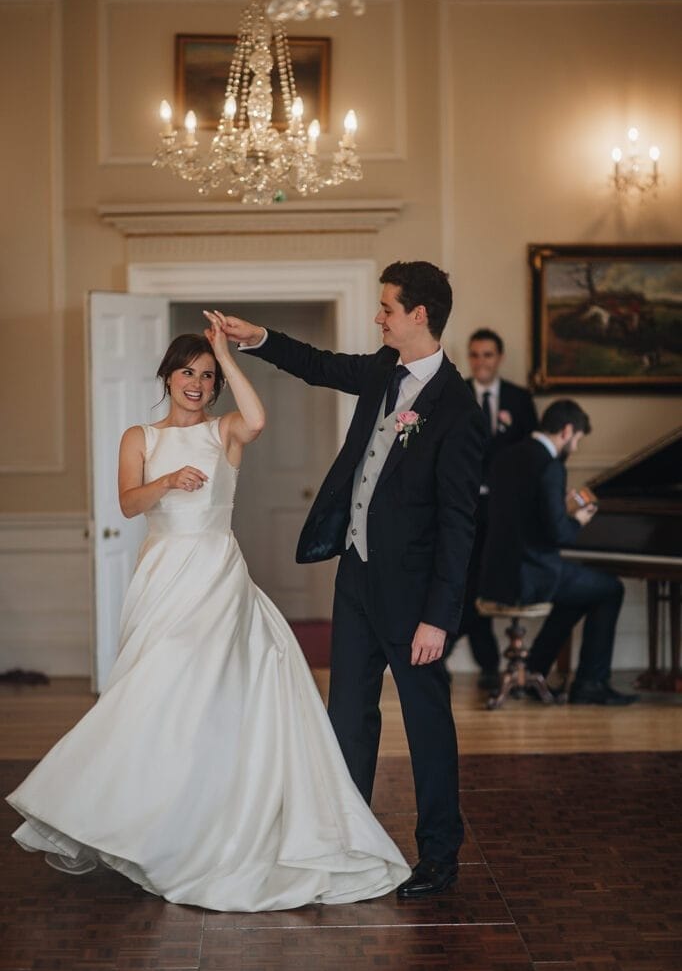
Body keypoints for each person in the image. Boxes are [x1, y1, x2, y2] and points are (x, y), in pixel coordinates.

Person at [7, 324, 411, 911]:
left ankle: (207, 823)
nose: (197, 384)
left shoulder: (226, 433)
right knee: (151, 695)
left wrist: (228, 353)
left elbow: (258, 418)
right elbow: (126, 502)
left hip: (217, 573)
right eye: (188, 371)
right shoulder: (138, 436)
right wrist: (167, 481)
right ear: (167, 376)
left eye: (207, 375)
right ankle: (141, 816)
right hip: (161, 573)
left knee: (205, 693)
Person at [213, 260, 486, 899]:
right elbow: (321, 365)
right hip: (356, 577)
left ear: (419, 315)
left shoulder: (458, 409)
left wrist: (439, 617)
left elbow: (459, 526)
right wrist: (257, 338)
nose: (377, 316)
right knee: (348, 718)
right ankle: (348, 841)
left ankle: (440, 856)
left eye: (387, 307)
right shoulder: (381, 370)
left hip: (416, 600)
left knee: (427, 727)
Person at [479, 399, 638, 706]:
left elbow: (522, 515)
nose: (575, 447)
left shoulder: (505, 457)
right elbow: (558, 534)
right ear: (567, 431)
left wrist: (556, 508)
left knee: (579, 592)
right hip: (530, 575)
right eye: (577, 439)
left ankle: (536, 667)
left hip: (495, 574)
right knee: (609, 589)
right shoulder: (550, 466)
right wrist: (577, 519)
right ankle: (591, 683)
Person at [459, 328, 538, 690]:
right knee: (467, 582)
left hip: (506, 511)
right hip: (465, 507)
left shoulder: (520, 400)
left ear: (499, 358)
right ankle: (486, 660)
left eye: (487, 355)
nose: (480, 362)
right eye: (475, 355)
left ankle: (493, 664)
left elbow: (533, 457)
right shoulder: (456, 393)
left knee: (495, 582)